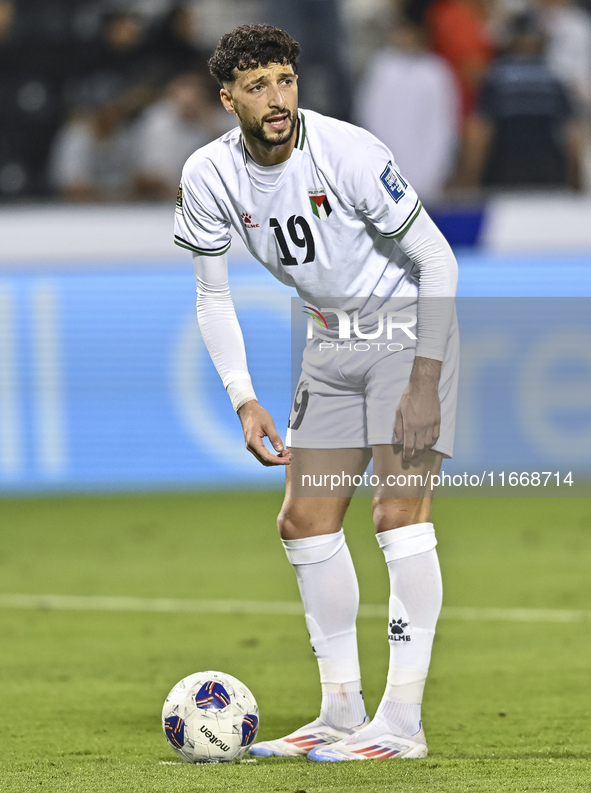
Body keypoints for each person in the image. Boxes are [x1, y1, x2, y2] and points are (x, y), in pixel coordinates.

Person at [174, 24, 459, 761]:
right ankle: (339, 710)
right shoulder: (207, 174)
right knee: (303, 521)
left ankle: (401, 720)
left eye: (285, 80)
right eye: (259, 85)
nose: (277, 99)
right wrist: (243, 396)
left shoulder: (349, 152)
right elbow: (212, 296)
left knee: (397, 515)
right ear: (227, 97)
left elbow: (436, 256)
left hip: (402, 331)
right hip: (328, 342)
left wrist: (425, 377)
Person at [460, 12, 582, 189]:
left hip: (502, 179)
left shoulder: (496, 79)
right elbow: (572, 137)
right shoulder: (554, 81)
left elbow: (478, 134)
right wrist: (575, 184)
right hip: (549, 180)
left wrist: (469, 181)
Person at [354, 15, 460, 203]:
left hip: (428, 174)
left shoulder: (436, 72)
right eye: (401, 33)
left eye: (410, 33)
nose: (405, 38)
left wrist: (439, 169)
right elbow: (368, 117)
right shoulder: (381, 68)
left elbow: (444, 125)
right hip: (385, 169)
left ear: (421, 35)